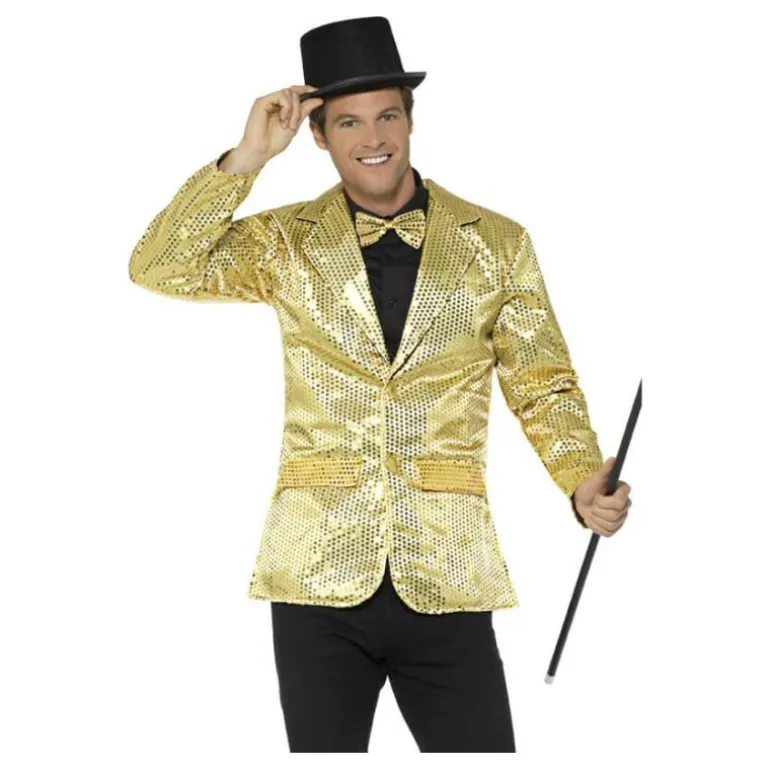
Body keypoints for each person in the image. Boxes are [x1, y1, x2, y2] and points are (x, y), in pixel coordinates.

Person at [128, 15, 632, 754]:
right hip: (316, 576)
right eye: (349, 121)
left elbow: (542, 382)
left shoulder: (496, 242)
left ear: (411, 119)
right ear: (318, 135)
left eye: (388, 115)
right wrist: (247, 157)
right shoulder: (285, 242)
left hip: (448, 570)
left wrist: (581, 478)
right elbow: (158, 266)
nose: (374, 137)